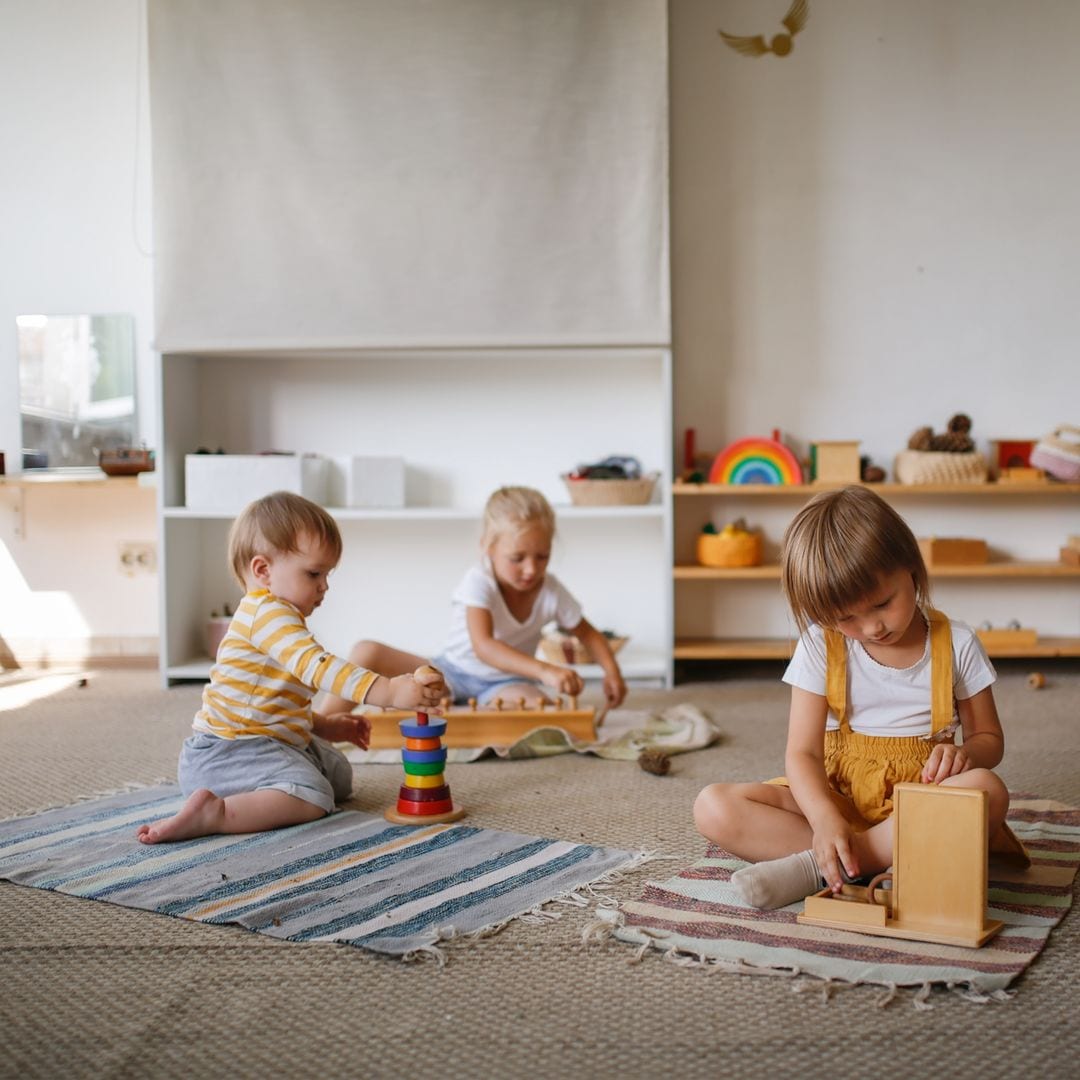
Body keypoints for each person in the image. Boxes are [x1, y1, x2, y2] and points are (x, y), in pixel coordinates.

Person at [693, 485, 1027, 910]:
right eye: (846, 617)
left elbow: (989, 740)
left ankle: (827, 867)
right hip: (838, 797)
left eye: (883, 603)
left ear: (910, 566)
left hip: (920, 802)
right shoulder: (819, 645)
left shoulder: (956, 643)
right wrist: (825, 820)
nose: (871, 628)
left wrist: (967, 756)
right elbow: (802, 755)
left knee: (987, 789)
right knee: (714, 807)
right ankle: (876, 860)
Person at [137, 491, 446, 844]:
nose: (324, 586)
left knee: (339, 775)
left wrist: (326, 726)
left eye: (327, 574)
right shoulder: (267, 615)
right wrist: (388, 692)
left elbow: (270, 703)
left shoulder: (279, 618)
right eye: (314, 573)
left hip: (266, 740)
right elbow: (321, 668)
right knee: (316, 795)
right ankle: (217, 813)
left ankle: (269, 787)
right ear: (263, 570)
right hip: (228, 754)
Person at [316, 485, 627, 716]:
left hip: (505, 685)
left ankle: (463, 715)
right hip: (450, 674)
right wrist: (546, 671)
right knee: (366, 651)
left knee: (541, 709)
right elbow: (484, 646)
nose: (531, 569)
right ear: (488, 548)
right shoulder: (478, 581)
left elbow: (588, 634)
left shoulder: (551, 590)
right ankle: (323, 721)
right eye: (517, 558)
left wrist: (612, 672)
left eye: (542, 556)